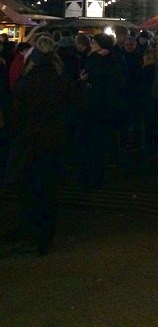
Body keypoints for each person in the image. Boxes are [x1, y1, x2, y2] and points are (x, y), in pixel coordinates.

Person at [4, 36, 83, 255]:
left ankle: (33, 237)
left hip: (31, 141)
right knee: (47, 190)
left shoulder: (27, 82)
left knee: (30, 190)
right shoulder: (61, 80)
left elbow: (16, 114)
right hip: (54, 142)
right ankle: (40, 235)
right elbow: (74, 107)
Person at [78, 33, 127, 189]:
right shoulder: (99, 58)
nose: (91, 43)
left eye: (94, 41)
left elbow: (113, 81)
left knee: (94, 142)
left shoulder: (104, 60)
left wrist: (87, 78)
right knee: (94, 141)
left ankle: (93, 175)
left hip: (98, 105)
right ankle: (93, 172)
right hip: (97, 105)